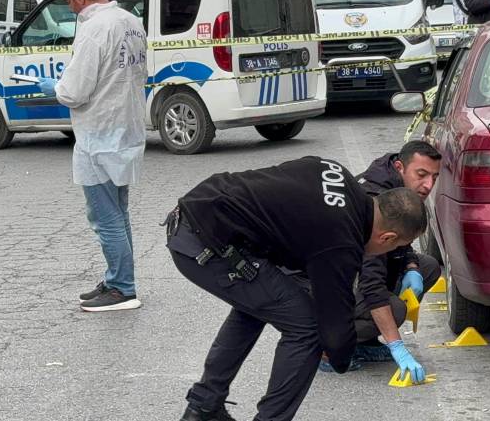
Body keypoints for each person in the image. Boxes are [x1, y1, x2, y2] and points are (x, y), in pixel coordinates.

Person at [167, 157, 427, 421]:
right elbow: (335, 331)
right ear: (387, 238)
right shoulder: (340, 241)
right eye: (394, 248)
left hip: (200, 211)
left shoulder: (338, 175)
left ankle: (203, 407)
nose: (388, 252)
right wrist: (343, 355)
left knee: (260, 304)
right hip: (205, 243)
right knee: (307, 328)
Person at [36, 0, 149, 313]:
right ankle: (118, 278)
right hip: (126, 128)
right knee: (119, 212)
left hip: (99, 134)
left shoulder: (93, 28)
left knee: (105, 217)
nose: (71, 7)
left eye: (70, 0)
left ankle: (122, 287)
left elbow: (76, 91)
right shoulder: (131, 22)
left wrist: (55, 87)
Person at [333, 142, 441, 377]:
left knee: (428, 267)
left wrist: (411, 266)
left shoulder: (398, 187)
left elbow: (403, 236)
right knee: (394, 309)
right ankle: (329, 348)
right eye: (421, 175)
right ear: (400, 167)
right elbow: (371, 284)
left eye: (434, 177)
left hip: (354, 271)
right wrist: (397, 346)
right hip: (322, 285)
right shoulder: (375, 201)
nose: (428, 186)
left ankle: (364, 342)